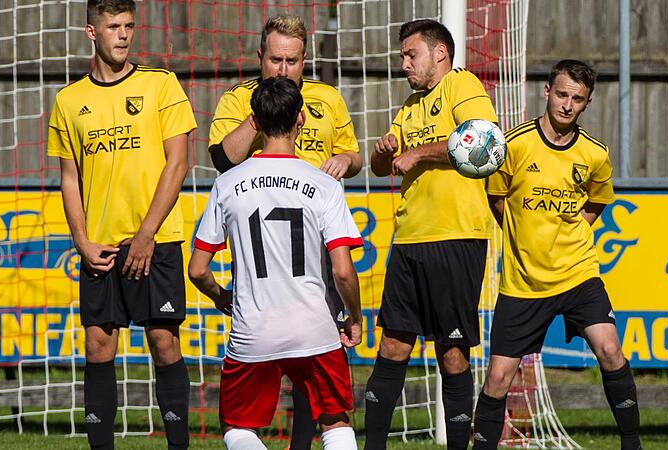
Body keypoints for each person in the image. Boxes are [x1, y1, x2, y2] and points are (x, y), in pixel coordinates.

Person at [46, 1, 196, 448]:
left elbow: (178, 162)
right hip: (101, 247)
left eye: (129, 26)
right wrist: (81, 242)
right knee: (98, 346)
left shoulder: (161, 84)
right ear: (92, 32)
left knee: (164, 343)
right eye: (113, 27)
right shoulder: (68, 100)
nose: (124, 35)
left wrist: (146, 234)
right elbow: (69, 178)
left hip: (156, 240)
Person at [208, 15, 362, 448]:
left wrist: (344, 161)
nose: (283, 69)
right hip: (268, 249)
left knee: (313, 372)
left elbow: (353, 156)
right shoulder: (238, 100)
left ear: (304, 59)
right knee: (316, 373)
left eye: (292, 61)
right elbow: (223, 160)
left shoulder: (327, 98)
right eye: (275, 60)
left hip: (317, 239)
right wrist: (261, 113)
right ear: (260, 56)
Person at [472, 59, 641, 450]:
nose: (567, 104)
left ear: (587, 103)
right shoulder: (513, 145)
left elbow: (598, 200)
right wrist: (525, 235)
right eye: (562, 94)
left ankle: (632, 444)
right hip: (523, 282)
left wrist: (572, 229)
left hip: (578, 273)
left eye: (577, 99)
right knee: (497, 377)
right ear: (547, 91)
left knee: (610, 350)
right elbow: (497, 199)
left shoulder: (594, 153)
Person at [365, 19, 499, 450]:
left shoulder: (462, 85)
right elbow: (383, 167)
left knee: (452, 351)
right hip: (408, 240)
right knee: (392, 345)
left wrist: (418, 153)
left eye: (411, 55)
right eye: (402, 56)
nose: (404, 64)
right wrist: (384, 153)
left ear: (440, 53)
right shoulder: (409, 107)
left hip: (455, 236)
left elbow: (483, 142)